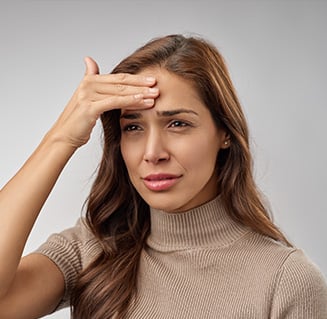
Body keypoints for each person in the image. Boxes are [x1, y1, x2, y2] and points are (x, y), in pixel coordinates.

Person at [0, 34, 326, 319]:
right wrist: (62, 137)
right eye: (133, 127)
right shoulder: (93, 249)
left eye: (177, 124)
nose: (152, 152)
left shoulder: (286, 282)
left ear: (224, 132)